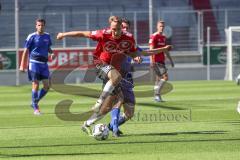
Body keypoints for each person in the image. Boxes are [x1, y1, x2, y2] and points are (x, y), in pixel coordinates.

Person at [19, 19, 54, 115]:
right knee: (36, 84)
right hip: (34, 63)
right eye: (39, 25)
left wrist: (51, 53)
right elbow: (25, 51)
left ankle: (34, 102)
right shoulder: (31, 36)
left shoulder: (47, 36)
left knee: (47, 86)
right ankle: (36, 109)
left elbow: (48, 48)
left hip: (44, 64)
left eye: (42, 25)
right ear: (36, 26)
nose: (40, 27)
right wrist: (22, 65)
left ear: (44, 26)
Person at [149, 20, 174, 102]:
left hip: (161, 60)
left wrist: (171, 60)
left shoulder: (163, 37)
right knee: (165, 77)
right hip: (156, 60)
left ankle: (156, 97)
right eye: (160, 26)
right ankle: (157, 94)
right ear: (157, 26)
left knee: (158, 79)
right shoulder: (154, 36)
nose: (162, 28)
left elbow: (165, 50)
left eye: (163, 26)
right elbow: (151, 50)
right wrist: (151, 61)